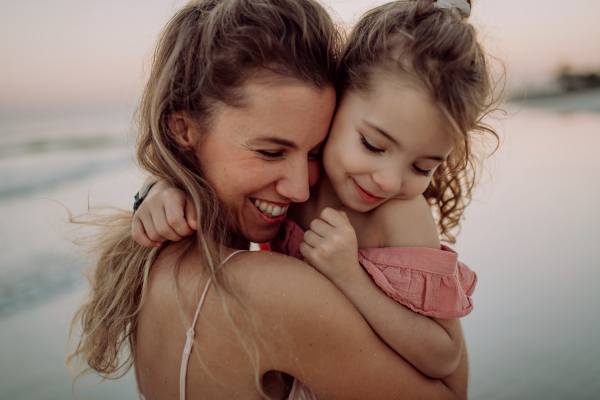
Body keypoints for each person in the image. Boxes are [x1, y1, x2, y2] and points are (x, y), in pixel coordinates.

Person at [67, 0, 482, 399]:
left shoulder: (156, 260)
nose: (301, 190)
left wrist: (159, 188)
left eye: (315, 150)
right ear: (183, 130)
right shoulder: (270, 292)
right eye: (270, 152)